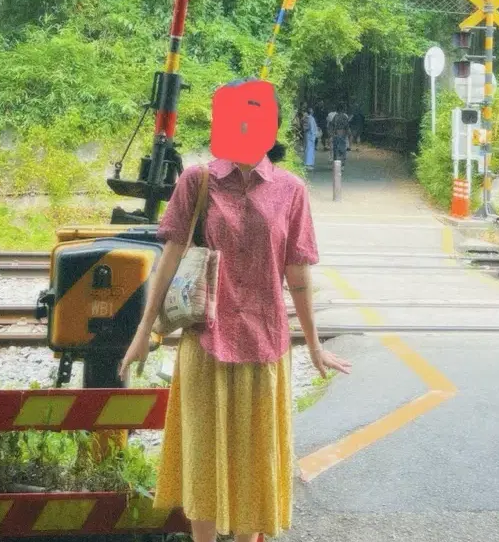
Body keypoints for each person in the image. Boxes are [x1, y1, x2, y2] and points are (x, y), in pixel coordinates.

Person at [119, 81, 351, 542]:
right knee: (204, 457)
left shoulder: (291, 190)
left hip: (264, 345)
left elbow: (297, 275)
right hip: (206, 343)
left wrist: (315, 346)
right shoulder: (197, 181)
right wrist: (144, 330)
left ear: (273, 128)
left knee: (253, 462)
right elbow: (169, 258)